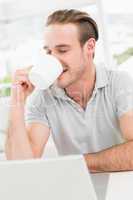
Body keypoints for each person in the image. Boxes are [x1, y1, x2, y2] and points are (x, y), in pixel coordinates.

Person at [6, 9, 133, 173]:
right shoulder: (43, 96)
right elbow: (21, 166)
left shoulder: (119, 84)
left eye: (62, 50)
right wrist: (17, 100)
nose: (53, 59)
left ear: (89, 47)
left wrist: (76, 163)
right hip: (74, 189)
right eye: (49, 51)